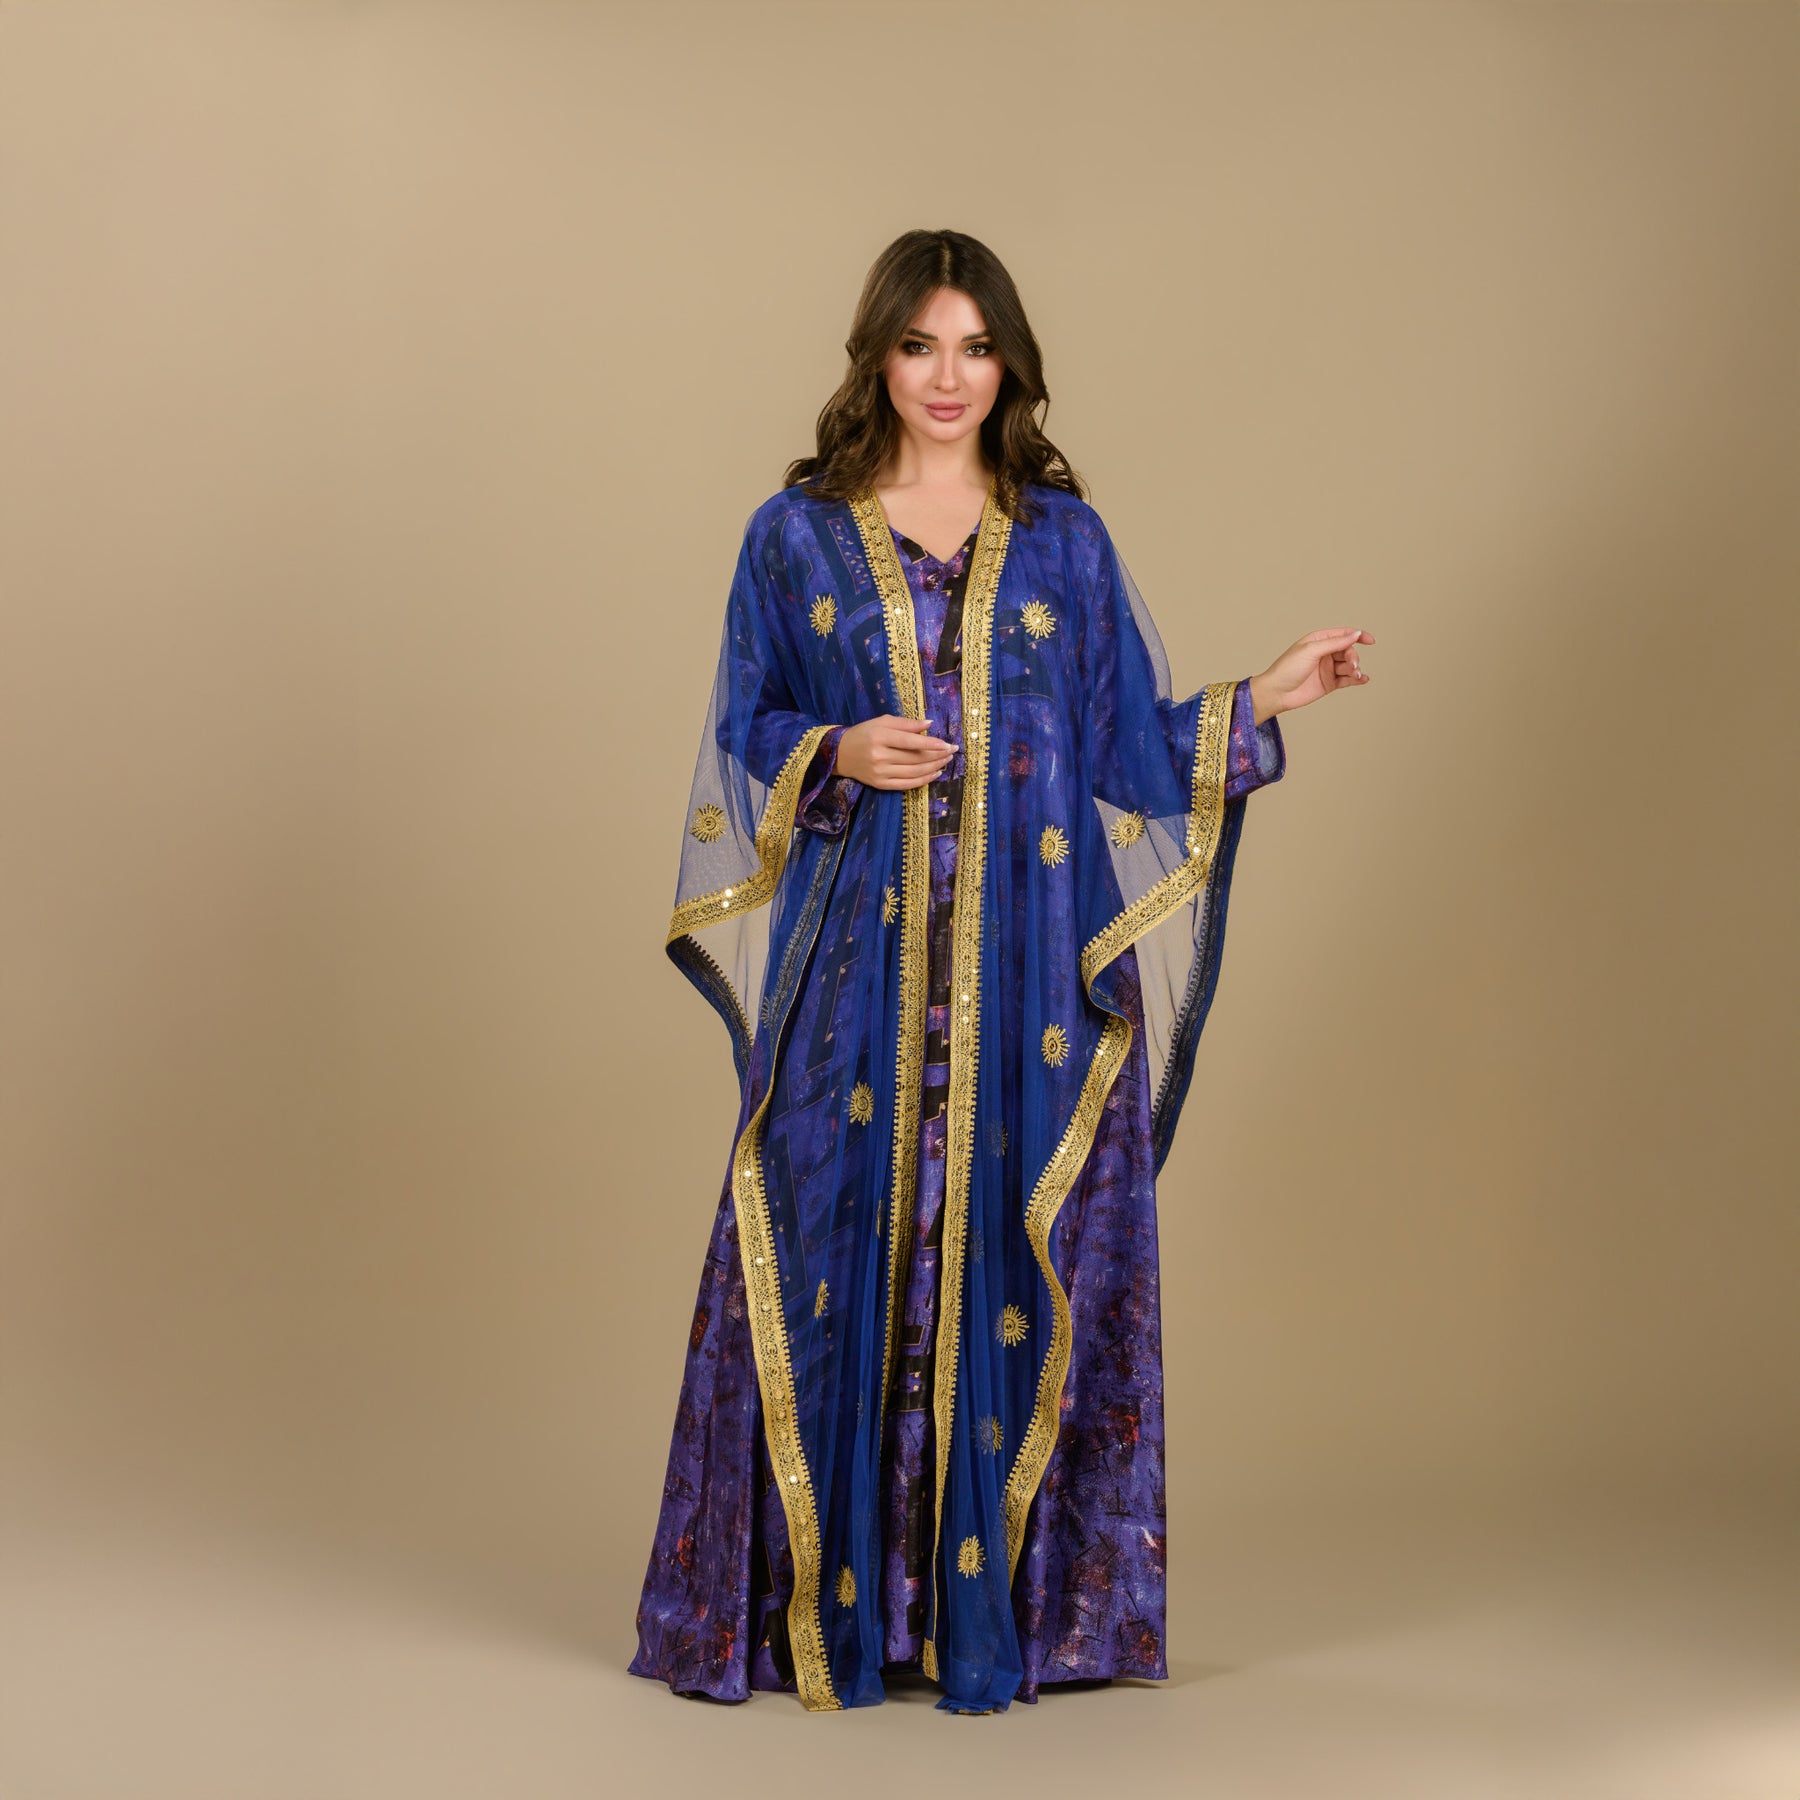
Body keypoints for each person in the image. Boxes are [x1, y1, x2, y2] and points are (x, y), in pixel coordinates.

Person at [628, 228, 1372, 1715]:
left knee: (1010, 1258)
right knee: (824, 1246)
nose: (948, 377)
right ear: (878, 358)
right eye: (920, 345)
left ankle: (1005, 1612)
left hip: (1027, 987)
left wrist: (1264, 700)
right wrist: (835, 748)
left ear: (1010, 364)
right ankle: (819, 1611)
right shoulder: (796, 537)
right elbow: (743, 724)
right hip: (854, 977)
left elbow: (1124, 754)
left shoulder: (1064, 545)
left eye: (975, 348)